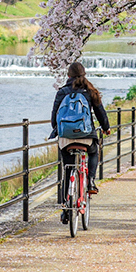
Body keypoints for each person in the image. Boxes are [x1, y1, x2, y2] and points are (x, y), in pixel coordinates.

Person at [51, 62, 111, 223]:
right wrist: (106, 128)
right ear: (84, 75)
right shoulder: (90, 92)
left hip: (66, 139)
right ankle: (90, 180)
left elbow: (54, 117)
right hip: (86, 136)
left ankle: (66, 208)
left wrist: (58, 130)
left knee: (68, 170)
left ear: (68, 76)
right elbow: (100, 113)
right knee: (93, 151)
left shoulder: (62, 92)